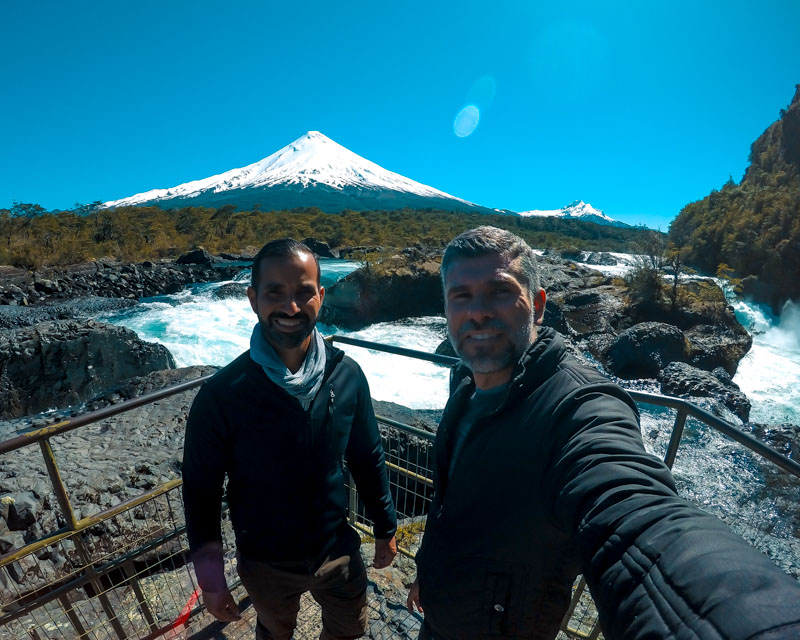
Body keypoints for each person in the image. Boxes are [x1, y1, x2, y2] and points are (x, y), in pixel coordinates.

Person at [407, 226, 800, 639]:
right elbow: (446, 503)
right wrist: (426, 573)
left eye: (500, 291)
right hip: (438, 616)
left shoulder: (580, 405)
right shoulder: (465, 383)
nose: (478, 311)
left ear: (538, 306)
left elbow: (631, 510)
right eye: (461, 296)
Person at [183, 238, 397, 640]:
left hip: (337, 548)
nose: (291, 307)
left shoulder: (346, 375)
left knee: (350, 628)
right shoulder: (223, 395)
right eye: (275, 293)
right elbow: (201, 493)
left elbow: (367, 455)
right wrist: (211, 581)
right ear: (253, 299)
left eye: (303, 293)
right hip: (265, 561)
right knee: (275, 632)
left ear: (321, 295)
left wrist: (385, 528)